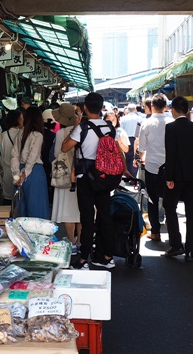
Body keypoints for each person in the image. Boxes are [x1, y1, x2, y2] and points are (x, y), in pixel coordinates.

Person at [62, 92, 125, 269]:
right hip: (105, 176)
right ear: (101, 107)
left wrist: (76, 125)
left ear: (84, 108)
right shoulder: (109, 127)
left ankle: (83, 259)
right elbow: (115, 150)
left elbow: (65, 147)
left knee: (87, 218)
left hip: (86, 176)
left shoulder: (82, 128)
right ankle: (106, 257)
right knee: (105, 216)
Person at [162, 96, 193, 263]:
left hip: (176, 176)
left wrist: (169, 177)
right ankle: (190, 250)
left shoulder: (171, 128)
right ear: (188, 111)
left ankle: (176, 244)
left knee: (170, 207)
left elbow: (170, 154)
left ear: (173, 109)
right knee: (191, 213)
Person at [136, 93, 170, 242]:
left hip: (152, 166)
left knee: (152, 200)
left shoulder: (147, 123)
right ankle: (172, 228)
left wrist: (141, 159)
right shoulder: (172, 121)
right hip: (170, 167)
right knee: (170, 200)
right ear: (165, 106)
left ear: (152, 106)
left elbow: (142, 147)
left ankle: (155, 232)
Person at [51, 103, 82, 253]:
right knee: (80, 211)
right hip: (81, 174)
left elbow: (58, 154)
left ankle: (71, 242)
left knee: (68, 211)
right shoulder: (83, 129)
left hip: (65, 176)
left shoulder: (61, 133)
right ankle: (81, 241)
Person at [11, 106, 50, 219]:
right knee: (36, 208)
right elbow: (32, 157)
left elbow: (14, 155)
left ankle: (21, 235)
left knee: (21, 208)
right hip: (34, 172)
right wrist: (24, 174)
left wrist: (17, 174)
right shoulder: (38, 135)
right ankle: (36, 235)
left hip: (20, 171)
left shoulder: (20, 134)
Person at [0, 109, 23, 203]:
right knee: (19, 197)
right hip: (19, 170)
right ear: (17, 120)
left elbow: (2, 151)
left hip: (7, 170)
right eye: (21, 118)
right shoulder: (22, 134)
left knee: (8, 198)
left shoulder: (4, 135)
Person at [120, 103, 142, 177]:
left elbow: (121, 130)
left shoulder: (123, 119)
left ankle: (127, 174)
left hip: (125, 139)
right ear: (135, 109)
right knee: (134, 157)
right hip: (136, 138)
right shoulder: (139, 118)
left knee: (126, 157)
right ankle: (133, 175)